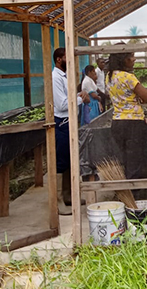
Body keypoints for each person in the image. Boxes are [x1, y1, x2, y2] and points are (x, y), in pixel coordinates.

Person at [106, 51, 147, 182]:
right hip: (133, 124)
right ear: (124, 59)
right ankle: (134, 197)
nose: (134, 59)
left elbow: (124, 96)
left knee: (126, 162)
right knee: (135, 164)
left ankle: (126, 193)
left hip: (117, 122)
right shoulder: (129, 77)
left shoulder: (109, 76)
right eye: (131, 57)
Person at [52, 48, 87, 215]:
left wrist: (78, 95)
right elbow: (62, 105)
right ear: (59, 60)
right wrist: (81, 99)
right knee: (60, 162)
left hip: (69, 123)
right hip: (61, 123)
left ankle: (67, 195)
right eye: (67, 57)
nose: (70, 60)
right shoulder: (55, 78)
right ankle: (57, 201)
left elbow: (68, 98)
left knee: (68, 160)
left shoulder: (64, 77)